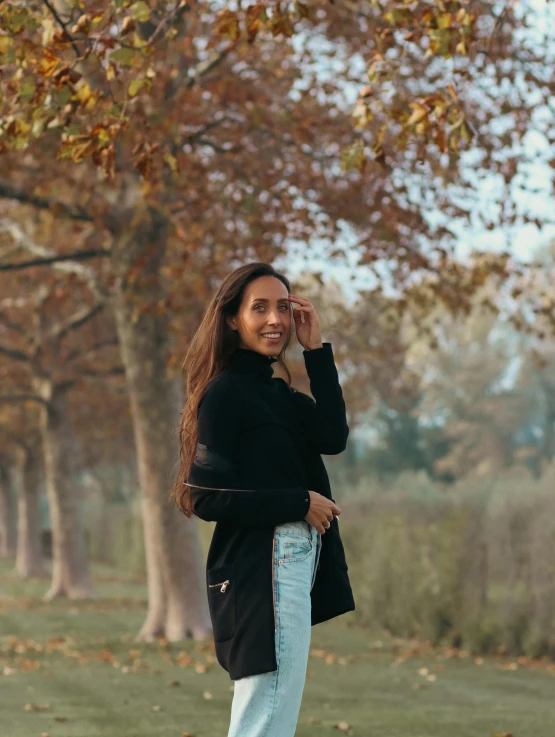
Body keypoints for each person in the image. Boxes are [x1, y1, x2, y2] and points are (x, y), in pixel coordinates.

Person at [171, 262, 355, 737]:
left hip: (283, 563)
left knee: (267, 717)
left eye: (282, 307)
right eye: (259, 308)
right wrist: (297, 503)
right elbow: (204, 496)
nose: (275, 319)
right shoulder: (226, 395)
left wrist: (316, 352)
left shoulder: (275, 394)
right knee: (267, 719)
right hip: (263, 568)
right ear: (232, 318)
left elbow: (332, 436)